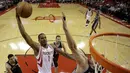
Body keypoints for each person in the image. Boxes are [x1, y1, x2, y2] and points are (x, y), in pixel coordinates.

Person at [16, 8, 55, 73]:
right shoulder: (38, 48)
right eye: (42, 38)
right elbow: (24, 35)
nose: (44, 39)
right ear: (38, 40)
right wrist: (18, 19)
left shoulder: (50, 47)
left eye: (45, 37)